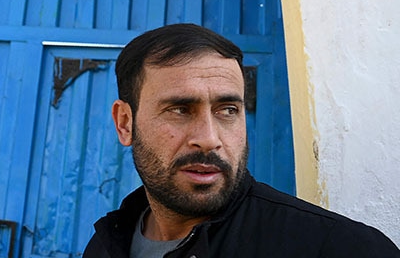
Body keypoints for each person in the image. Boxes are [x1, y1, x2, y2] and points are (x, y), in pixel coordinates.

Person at [83, 23, 400, 257]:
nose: (209, 139)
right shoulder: (107, 245)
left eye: (227, 110)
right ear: (125, 123)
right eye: (180, 109)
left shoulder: (337, 248)